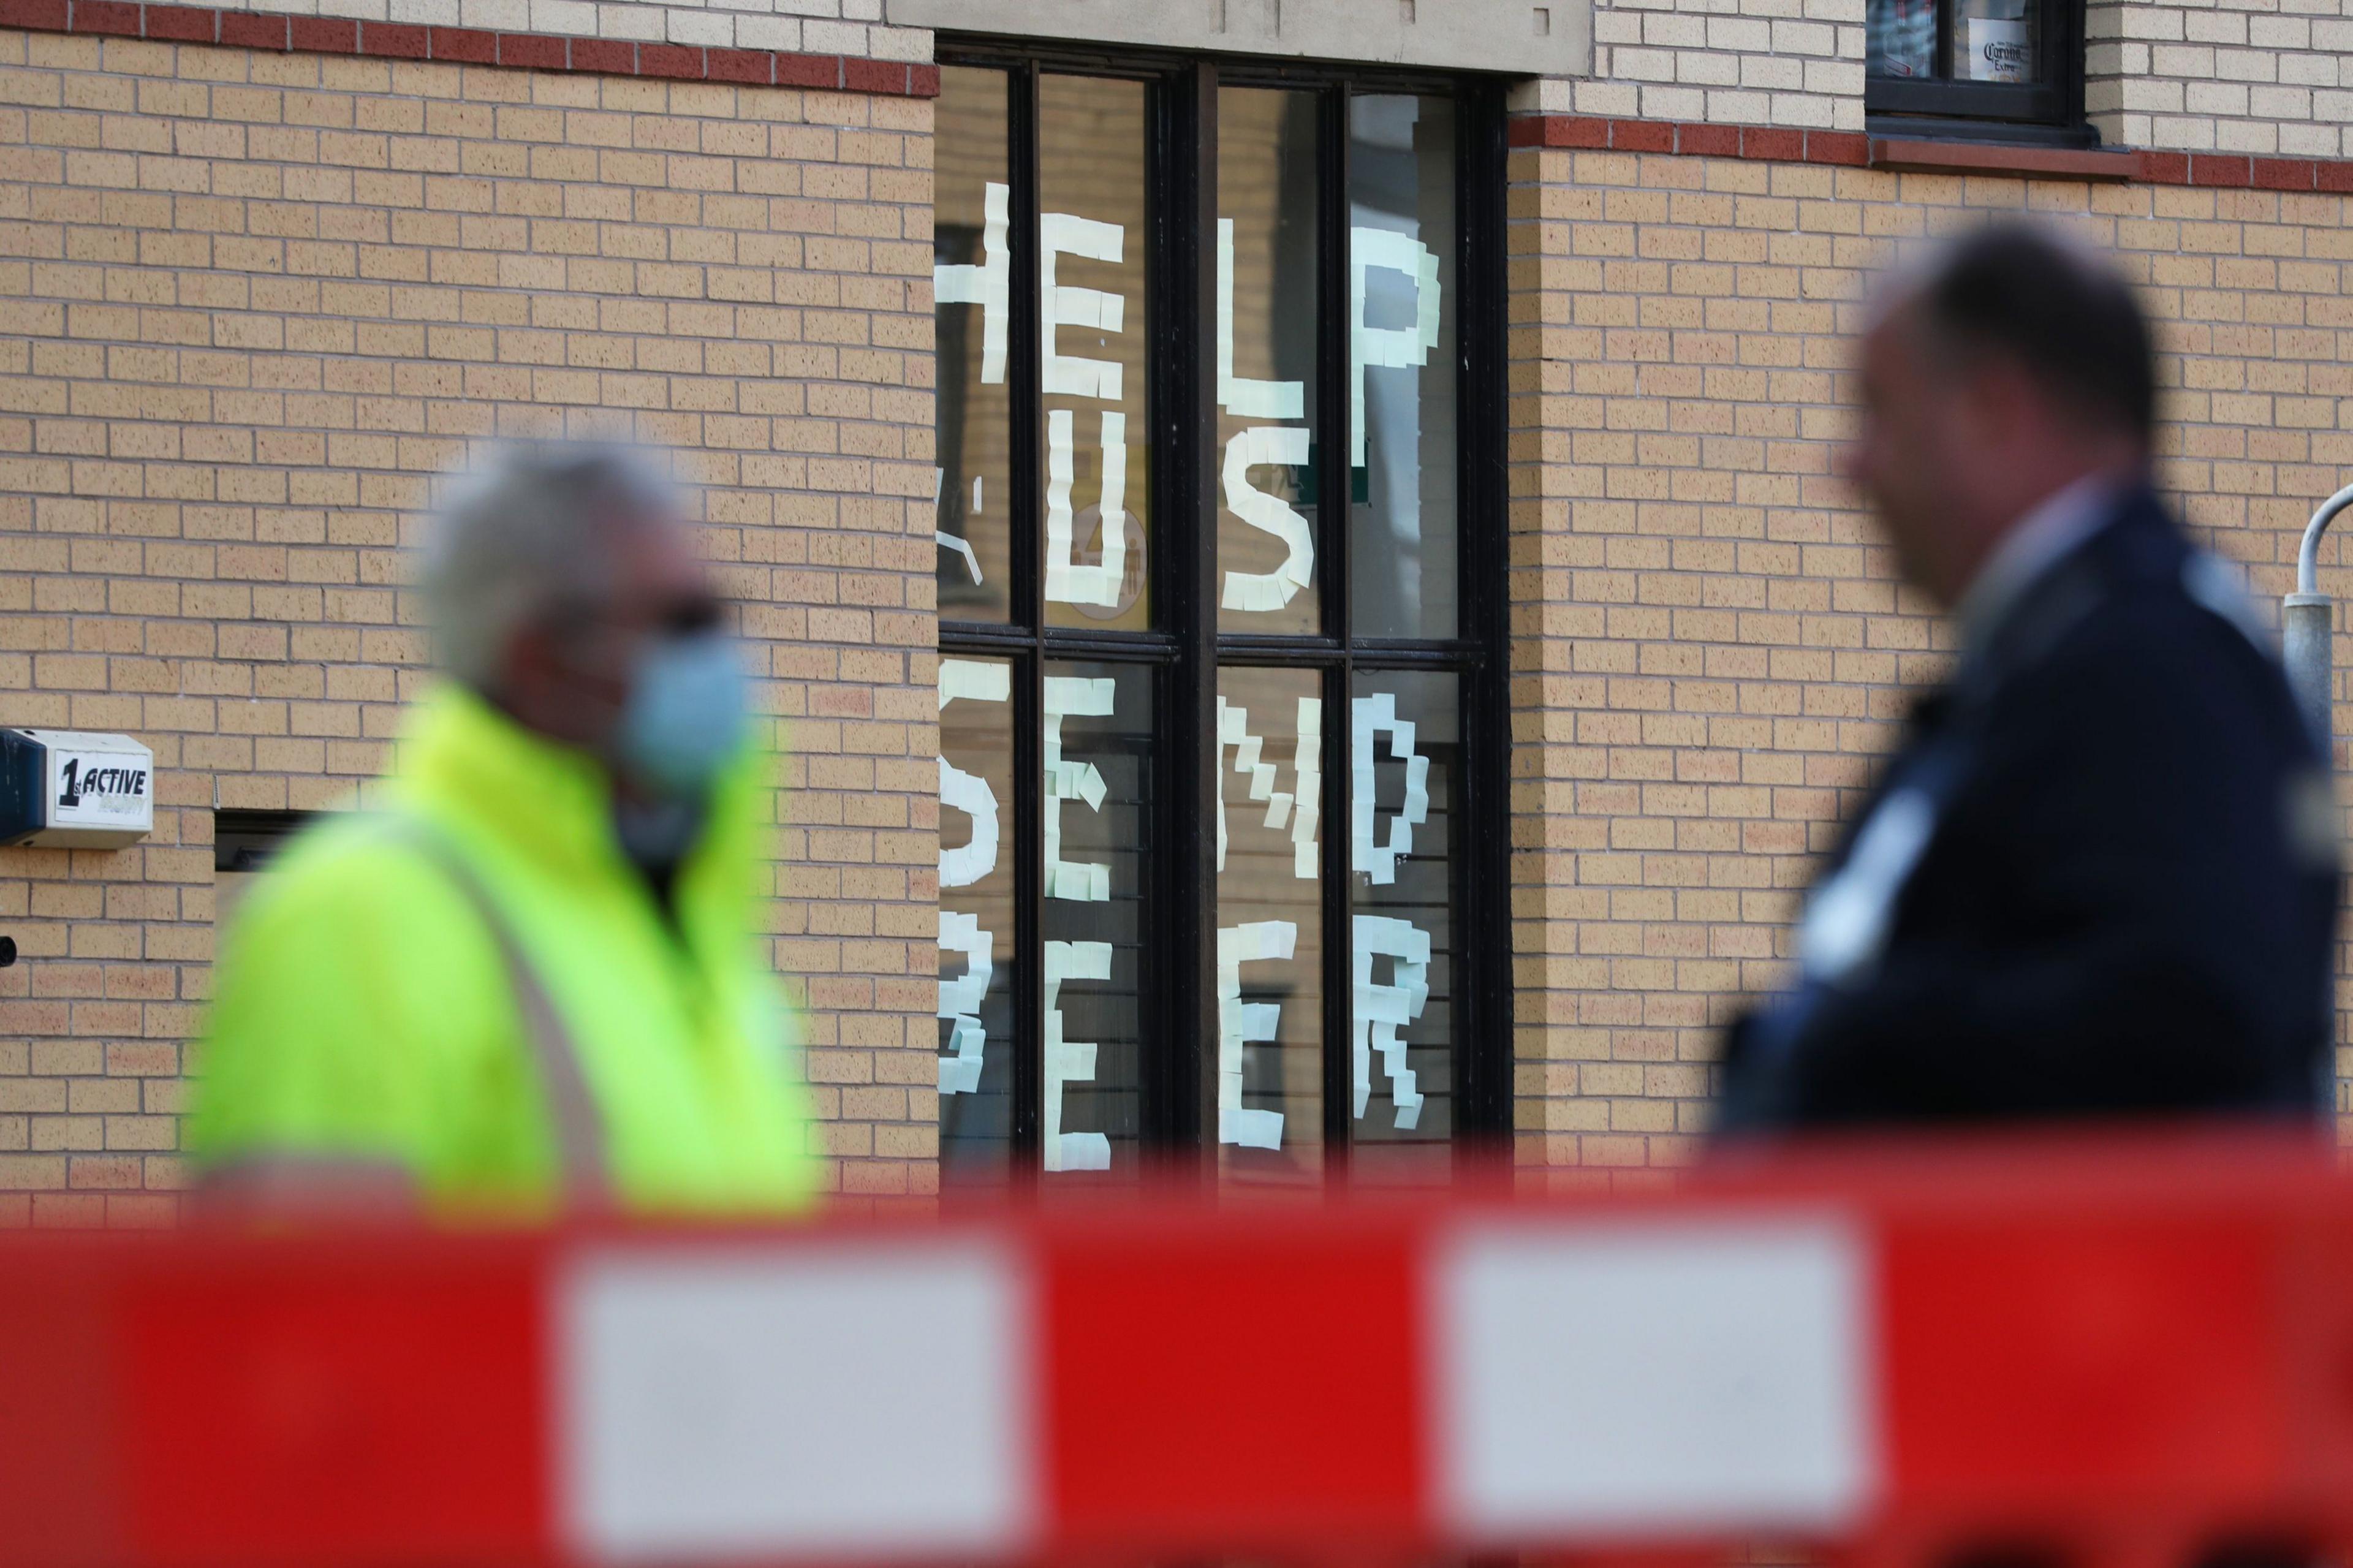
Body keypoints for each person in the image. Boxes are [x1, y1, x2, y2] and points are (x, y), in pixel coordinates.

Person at [1716, 223, 2340, 1132]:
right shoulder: (2068, 655)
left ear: (1993, 410)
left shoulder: (2156, 671)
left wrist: (1837, 1049)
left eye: (1877, 409)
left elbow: (2188, 1020)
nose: (1848, 465)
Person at [191, 441, 820, 1214]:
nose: (720, 657)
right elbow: (299, 1317)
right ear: (539, 657)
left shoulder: (681, 919)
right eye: (682, 622)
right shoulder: (360, 917)